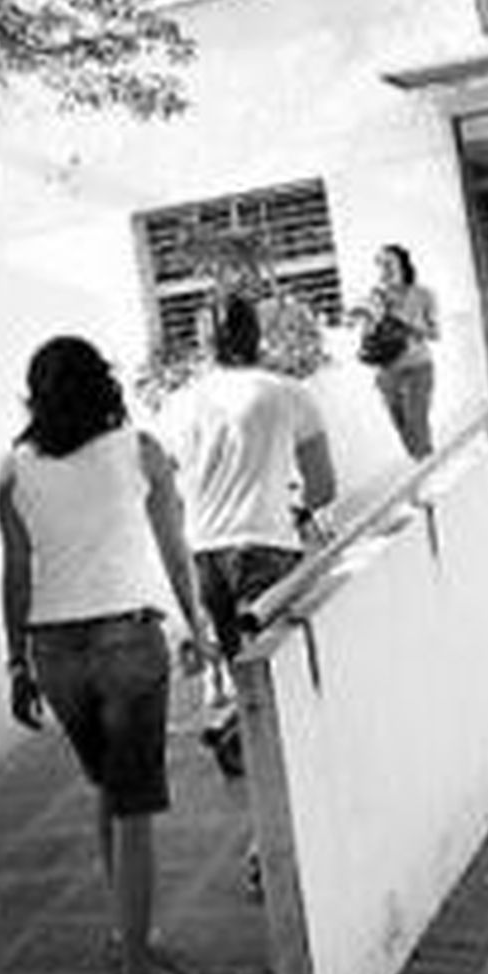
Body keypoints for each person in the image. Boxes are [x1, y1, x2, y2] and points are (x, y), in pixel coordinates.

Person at [0, 336, 208, 974]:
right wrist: (197, 626)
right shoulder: (139, 451)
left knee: (110, 789)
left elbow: (17, 574)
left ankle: (127, 933)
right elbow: (174, 547)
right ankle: (138, 970)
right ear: (104, 385)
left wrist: (16, 661)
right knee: (135, 807)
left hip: (54, 649)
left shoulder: (14, 469)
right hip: (127, 639)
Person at [159, 293, 337, 704]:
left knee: (239, 679)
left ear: (205, 341)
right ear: (257, 334)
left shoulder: (178, 404)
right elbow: (324, 486)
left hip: (203, 552)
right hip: (267, 543)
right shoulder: (289, 394)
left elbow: (165, 491)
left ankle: (232, 718)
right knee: (280, 682)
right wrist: (298, 512)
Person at [360, 243, 439, 458]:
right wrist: (372, 317)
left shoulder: (423, 294)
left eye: (389, 263)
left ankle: (429, 468)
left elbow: (435, 333)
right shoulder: (375, 297)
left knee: (416, 422)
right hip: (387, 372)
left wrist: (407, 324)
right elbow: (367, 335)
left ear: (402, 264)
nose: (384, 268)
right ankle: (424, 464)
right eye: (380, 264)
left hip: (417, 367)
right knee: (402, 429)